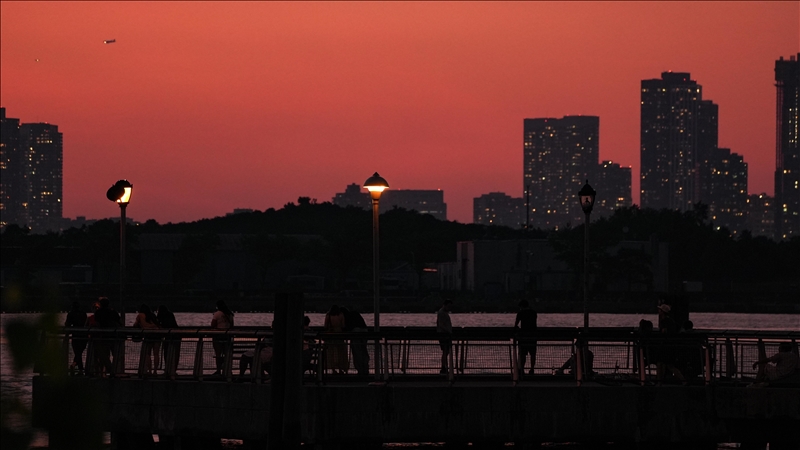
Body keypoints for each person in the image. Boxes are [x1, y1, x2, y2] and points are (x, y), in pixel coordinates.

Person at [93, 297, 122, 377]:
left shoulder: (98, 312)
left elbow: (97, 323)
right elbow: (120, 322)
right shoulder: (113, 312)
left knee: (104, 354)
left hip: (103, 336)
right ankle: (113, 370)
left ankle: (108, 369)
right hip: (113, 335)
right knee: (115, 354)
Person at [341, 306, 370, 377]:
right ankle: (366, 368)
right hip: (364, 331)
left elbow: (347, 328)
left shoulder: (347, 318)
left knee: (357, 352)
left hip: (355, 332)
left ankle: (360, 369)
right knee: (363, 351)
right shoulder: (355, 313)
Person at [133, 303, 161, 375]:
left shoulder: (140, 315)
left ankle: (150, 370)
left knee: (148, 354)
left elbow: (135, 325)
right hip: (157, 334)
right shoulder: (152, 315)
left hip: (148, 335)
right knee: (156, 354)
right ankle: (155, 371)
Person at [514, 299, 538, 377]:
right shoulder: (533, 313)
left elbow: (516, 325)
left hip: (523, 336)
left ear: (521, 306)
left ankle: (522, 369)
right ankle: (532, 369)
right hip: (533, 336)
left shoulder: (520, 313)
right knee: (533, 354)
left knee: (523, 354)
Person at [210, 300, 234, 375]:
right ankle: (227, 369)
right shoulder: (230, 314)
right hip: (227, 336)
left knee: (218, 354)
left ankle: (218, 370)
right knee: (226, 354)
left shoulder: (217, 314)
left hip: (218, 336)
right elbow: (232, 326)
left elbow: (212, 325)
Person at [324, 305, 349, 374]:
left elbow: (325, 326)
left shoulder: (328, 315)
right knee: (340, 353)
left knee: (331, 353)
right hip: (339, 335)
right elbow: (343, 325)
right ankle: (341, 368)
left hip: (331, 336)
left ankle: (333, 369)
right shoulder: (340, 315)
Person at [65, 301, 88, 375]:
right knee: (79, 352)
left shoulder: (71, 314)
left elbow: (67, 324)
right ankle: (80, 368)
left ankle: (75, 365)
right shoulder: (83, 314)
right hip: (84, 335)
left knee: (77, 352)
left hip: (75, 335)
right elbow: (86, 323)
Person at [157, 305, 179, 376]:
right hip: (176, 335)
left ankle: (167, 369)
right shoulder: (170, 314)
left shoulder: (161, 315)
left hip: (168, 336)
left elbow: (158, 323)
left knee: (166, 353)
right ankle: (173, 370)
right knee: (175, 353)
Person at [436, 300, 453, 374]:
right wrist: (448, 331)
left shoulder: (443, 312)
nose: (449, 308)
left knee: (446, 351)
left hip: (445, 334)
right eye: (448, 306)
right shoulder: (442, 313)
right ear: (445, 305)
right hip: (444, 335)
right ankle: (444, 367)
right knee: (445, 351)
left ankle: (444, 367)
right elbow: (441, 325)